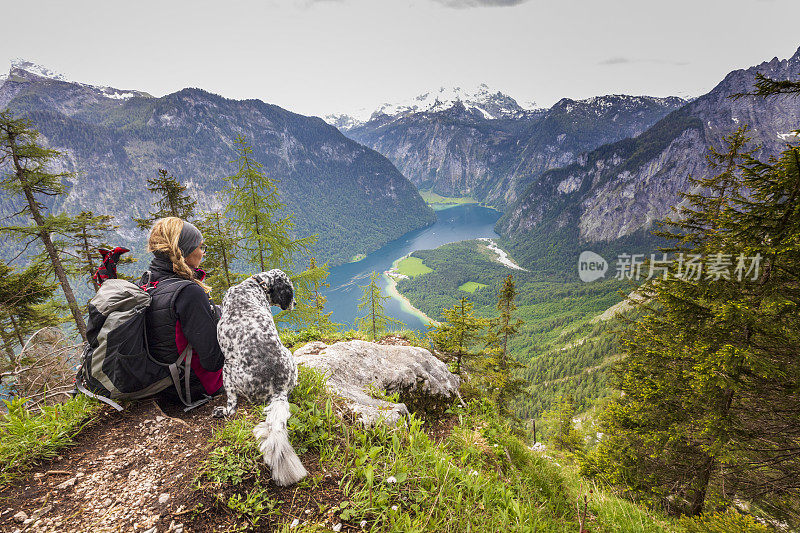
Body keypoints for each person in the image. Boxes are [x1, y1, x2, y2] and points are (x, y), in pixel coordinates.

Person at [139, 217, 224, 403]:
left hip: (160, 384)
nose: (202, 252)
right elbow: (213, 360)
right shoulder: (189, 293)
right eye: (200, 247)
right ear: (184, 250)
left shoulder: (147, 283)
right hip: (195, 387)